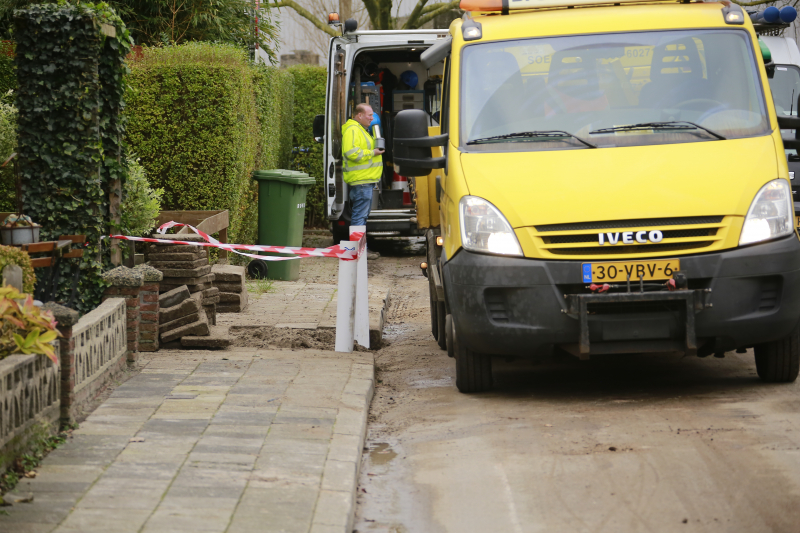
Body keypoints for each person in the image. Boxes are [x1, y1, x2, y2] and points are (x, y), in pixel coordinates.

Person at [342, 103, 384, 258]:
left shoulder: (361, 130)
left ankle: (359, 250)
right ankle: (358, 252)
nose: (372, 118)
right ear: (359, 115)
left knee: (361, 217)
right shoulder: (353, 129)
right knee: (359, 218)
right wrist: (372, 152)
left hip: (364, 181)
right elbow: (351, 153)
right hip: (361, 182)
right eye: (369, 115)